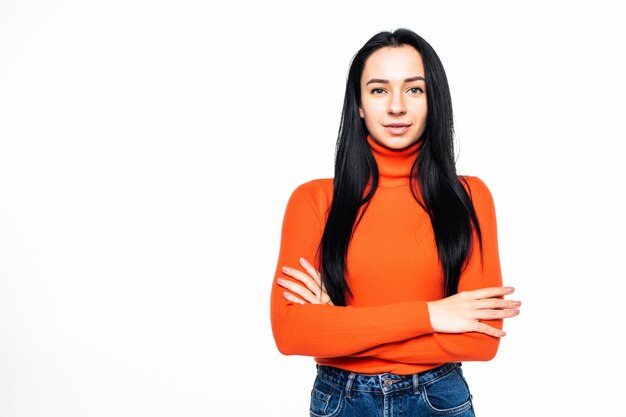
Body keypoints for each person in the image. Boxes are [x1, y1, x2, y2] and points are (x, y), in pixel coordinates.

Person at [269, 28, 521, 417]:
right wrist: (432, 315)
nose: (397, 107)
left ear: (433, 100)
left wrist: (337, 330)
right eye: (379, 90)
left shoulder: (468, 196)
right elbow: (290, 333)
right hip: (341, 402)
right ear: (359, 105)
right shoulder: (314, 200)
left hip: (437, 400)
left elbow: (478, 342)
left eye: (414, 89)